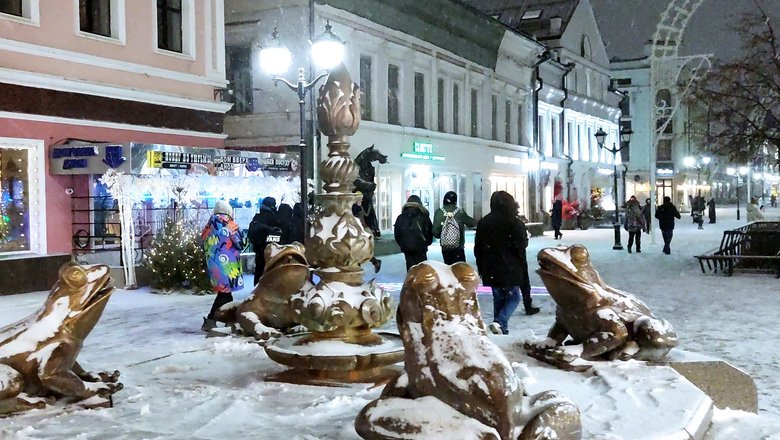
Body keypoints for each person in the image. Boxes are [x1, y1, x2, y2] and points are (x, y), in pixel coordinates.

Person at [474, 191, 539, 336]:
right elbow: (521, 245)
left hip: (490, 266)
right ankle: (500, 322)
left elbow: (477, 247)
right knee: (513, 297)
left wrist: (481, 266)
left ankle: (501, 329)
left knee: (498, 299)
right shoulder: (514, 222)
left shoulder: (484, 222)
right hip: (511, 266)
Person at [201, 200, 245, 332]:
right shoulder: (230, 225)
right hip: (228, 266)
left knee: (225, 293)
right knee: (224, 294)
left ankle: (228, 320)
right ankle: (211, 320)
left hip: (214, 265)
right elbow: (242, 243)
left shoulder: (209, 226)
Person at [432, 191, 476, 264]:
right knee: (460, 271)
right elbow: (472, 223)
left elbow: (435, 232)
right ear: (455, 201)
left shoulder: (439, 212)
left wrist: (445, 233)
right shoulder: (459, 212)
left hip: (445, 248)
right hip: (458, 248)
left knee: (448, 269)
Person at [248, 197, 282, 285]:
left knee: (259, 269)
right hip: (271, 250)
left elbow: (251, 235)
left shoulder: (257, 217)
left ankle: (257, 289)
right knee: (270, 270)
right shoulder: (273, 218)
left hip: (259, 250)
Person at [394, 195, 433, 271]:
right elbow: (430, 232)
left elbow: (397, 234)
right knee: (422, 269)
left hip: (407, 249)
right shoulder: (424, 216)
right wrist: (426, 243)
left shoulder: (401, 217)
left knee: (410, 268)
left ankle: (411, 280)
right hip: (421, 248)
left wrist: (403, 244)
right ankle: (421, 281)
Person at [353, 202, 382, 273]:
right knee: (361, 252)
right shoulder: (360, 207)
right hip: (363, 230)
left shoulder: (356, 208)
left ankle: (358, 269)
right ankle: (375, 262)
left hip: (363, 231)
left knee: (360, 251)